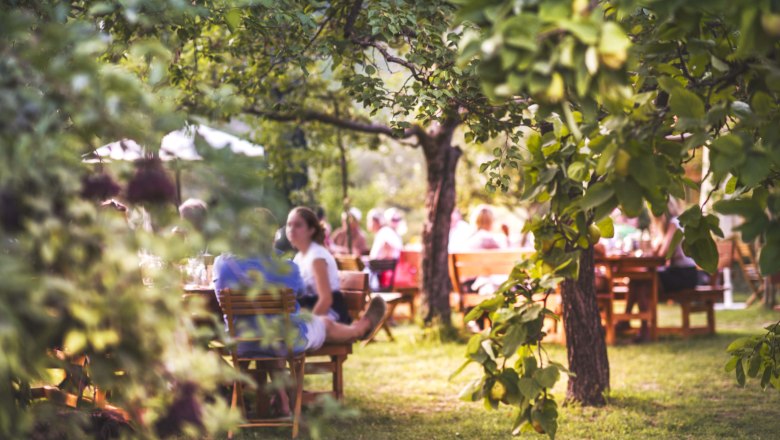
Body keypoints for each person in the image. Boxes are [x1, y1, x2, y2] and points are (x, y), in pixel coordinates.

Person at [287, 206, 352, 324]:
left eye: (298, 225)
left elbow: (326, 300)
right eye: (289, 225)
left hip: (331, 313)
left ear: (311, 230)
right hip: (313, 309)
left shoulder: (317, 257)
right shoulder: (299, 257)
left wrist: (308, 326)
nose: (291, 229)